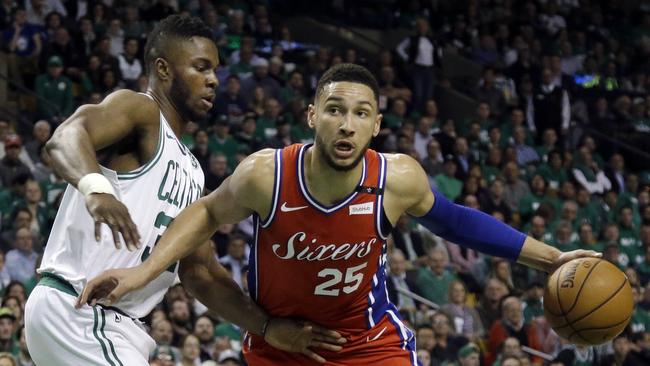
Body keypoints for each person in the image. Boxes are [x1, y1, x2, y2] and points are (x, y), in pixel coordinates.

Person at [80, 63, 599, 365]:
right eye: (334, 110)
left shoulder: (396, 179)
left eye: (360, 114)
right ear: (312, 117)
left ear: (376, 125)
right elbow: (203, 214)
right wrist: (142, 272)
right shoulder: (267, 174)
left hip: (369, 343)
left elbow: (456, 220)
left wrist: (551, 259)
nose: (346, 125)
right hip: (277, 342)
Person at [24, 15, 343, 366]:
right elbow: (66, 137)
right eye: (201, 68)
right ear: (163, 69)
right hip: (81, 312)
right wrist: (97, 190)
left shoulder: (192, 170)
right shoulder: (140, 110)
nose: (212, 81)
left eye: (216, 71)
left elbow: (200, 271)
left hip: (116, 328)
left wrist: (266, 326)